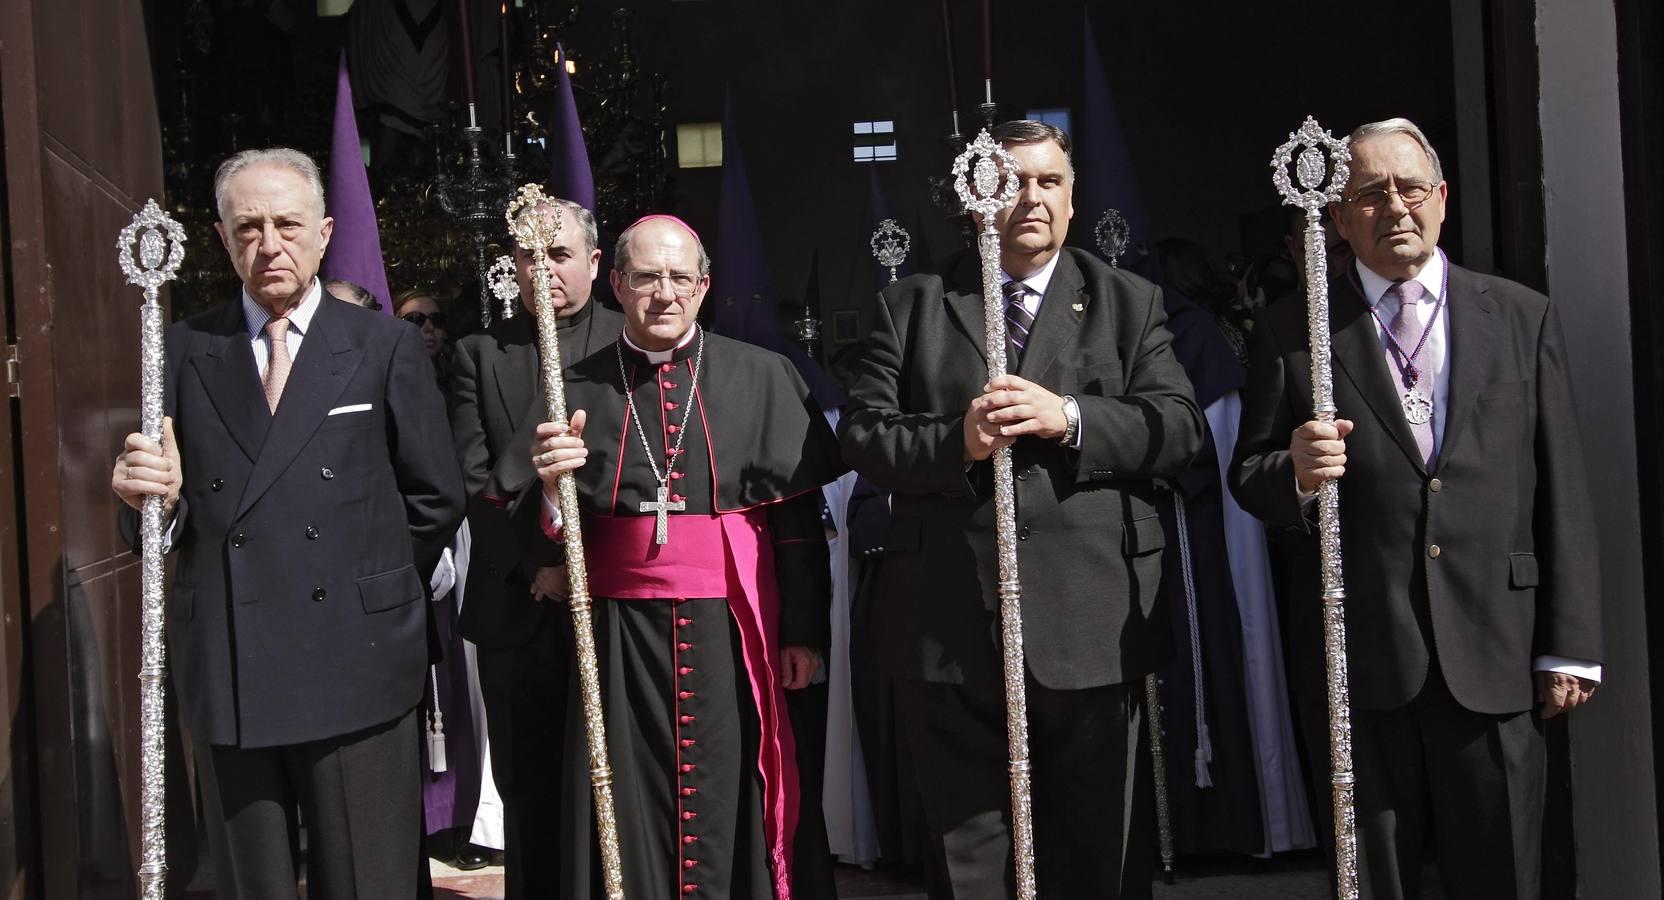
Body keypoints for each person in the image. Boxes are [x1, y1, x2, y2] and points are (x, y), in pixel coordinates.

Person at [1228, 118, 1603, 899]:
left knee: (1500, 871)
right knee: (1372, 880)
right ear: (1338, 218)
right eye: (1368, 193)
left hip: (1497, 645)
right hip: (1358, 654)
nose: (1392, 206)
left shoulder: (1519, 315)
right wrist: (1295, 471)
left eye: (1408, 187)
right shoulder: (1295, 329)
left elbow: (1560, 480)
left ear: (1441, 198)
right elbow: (1249, 474)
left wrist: (1568, 643)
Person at [836, 120, 1204, 900]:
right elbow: (864, 436)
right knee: (970, 854)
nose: (1030, 198)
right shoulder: (915, 305)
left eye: (1048, 182)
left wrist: (1069, 418)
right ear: (976, 198)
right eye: (1010, 182)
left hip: (1093, 620)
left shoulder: (1127, 302)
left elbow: (1178, 427)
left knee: (1099, 848)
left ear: (1072, 199)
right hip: (950, 622)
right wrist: (957, 440)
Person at [110, 147, 465, 898]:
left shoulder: (384, 344)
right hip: (233, 663)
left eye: (286, 224)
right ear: (219, 238)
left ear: (325, 231)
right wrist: (150, 501)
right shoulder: (179, 350)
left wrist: (367, 585)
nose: (268, 245)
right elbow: (152, 528)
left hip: (358, 661)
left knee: (369, 882)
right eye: (247, 228)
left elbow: (435, 495)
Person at [525, 214, 844, 899]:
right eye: (645, 277)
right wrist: (554, 493)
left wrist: (804, 633)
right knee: (622, 797)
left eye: (679, 277)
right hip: (617, 640)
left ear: (704, 287)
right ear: (617, 285)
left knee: (734, 786)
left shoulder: (763, 375)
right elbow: (541, 527)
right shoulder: (571, 388)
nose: (663, 293)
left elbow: (794, 523)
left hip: (733, 632)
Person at [447, 197, 624, 897]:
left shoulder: (628, 340)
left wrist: (587, 571)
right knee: (532, 790)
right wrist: (536, 569)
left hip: (616, 601)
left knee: (615, 782)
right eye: (528, 254)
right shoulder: (478, 353)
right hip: (518, 602)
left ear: (594, 262)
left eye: (558, 254)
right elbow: (467, 480)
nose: (543, 268)